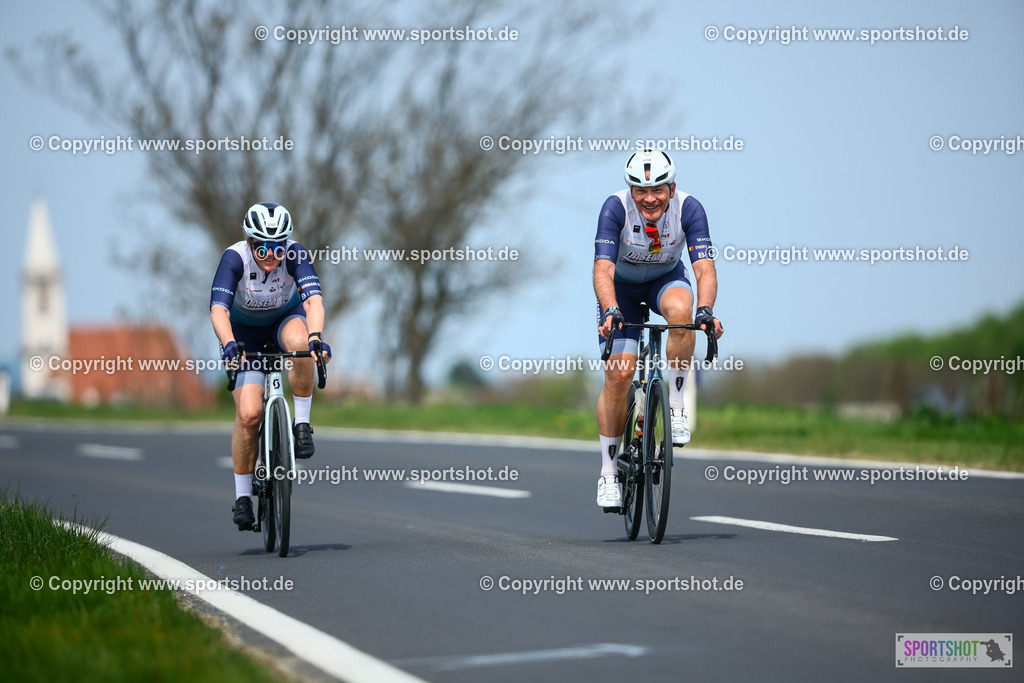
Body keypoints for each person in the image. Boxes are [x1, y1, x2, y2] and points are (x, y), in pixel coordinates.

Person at [593, 150, 724, 508]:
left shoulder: (690, 209)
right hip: (621, 290)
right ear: (630, 190)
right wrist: (610, 310)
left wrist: (706, 310)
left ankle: (676, 404)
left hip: (665, 281)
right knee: (619, 377)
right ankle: (608, 472)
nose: (649, 197)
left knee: (683, 313)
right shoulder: (614, 208)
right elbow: (602, 270)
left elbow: (704, 269)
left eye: (658, 189)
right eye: (640, 189)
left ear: (672, 187)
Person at [210, 202, 332, 530]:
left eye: (277, 246)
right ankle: (242, 497)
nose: (270, 255)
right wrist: (229, 344)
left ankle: (302, 424)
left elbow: (313, 301)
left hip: (284, 319)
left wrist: (317, 336)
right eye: (262, 246)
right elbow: (218, 310)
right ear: (250, 242)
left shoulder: (293, 254)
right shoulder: (234, 258)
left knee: (303, 345)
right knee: (249, 415)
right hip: (244, 334)